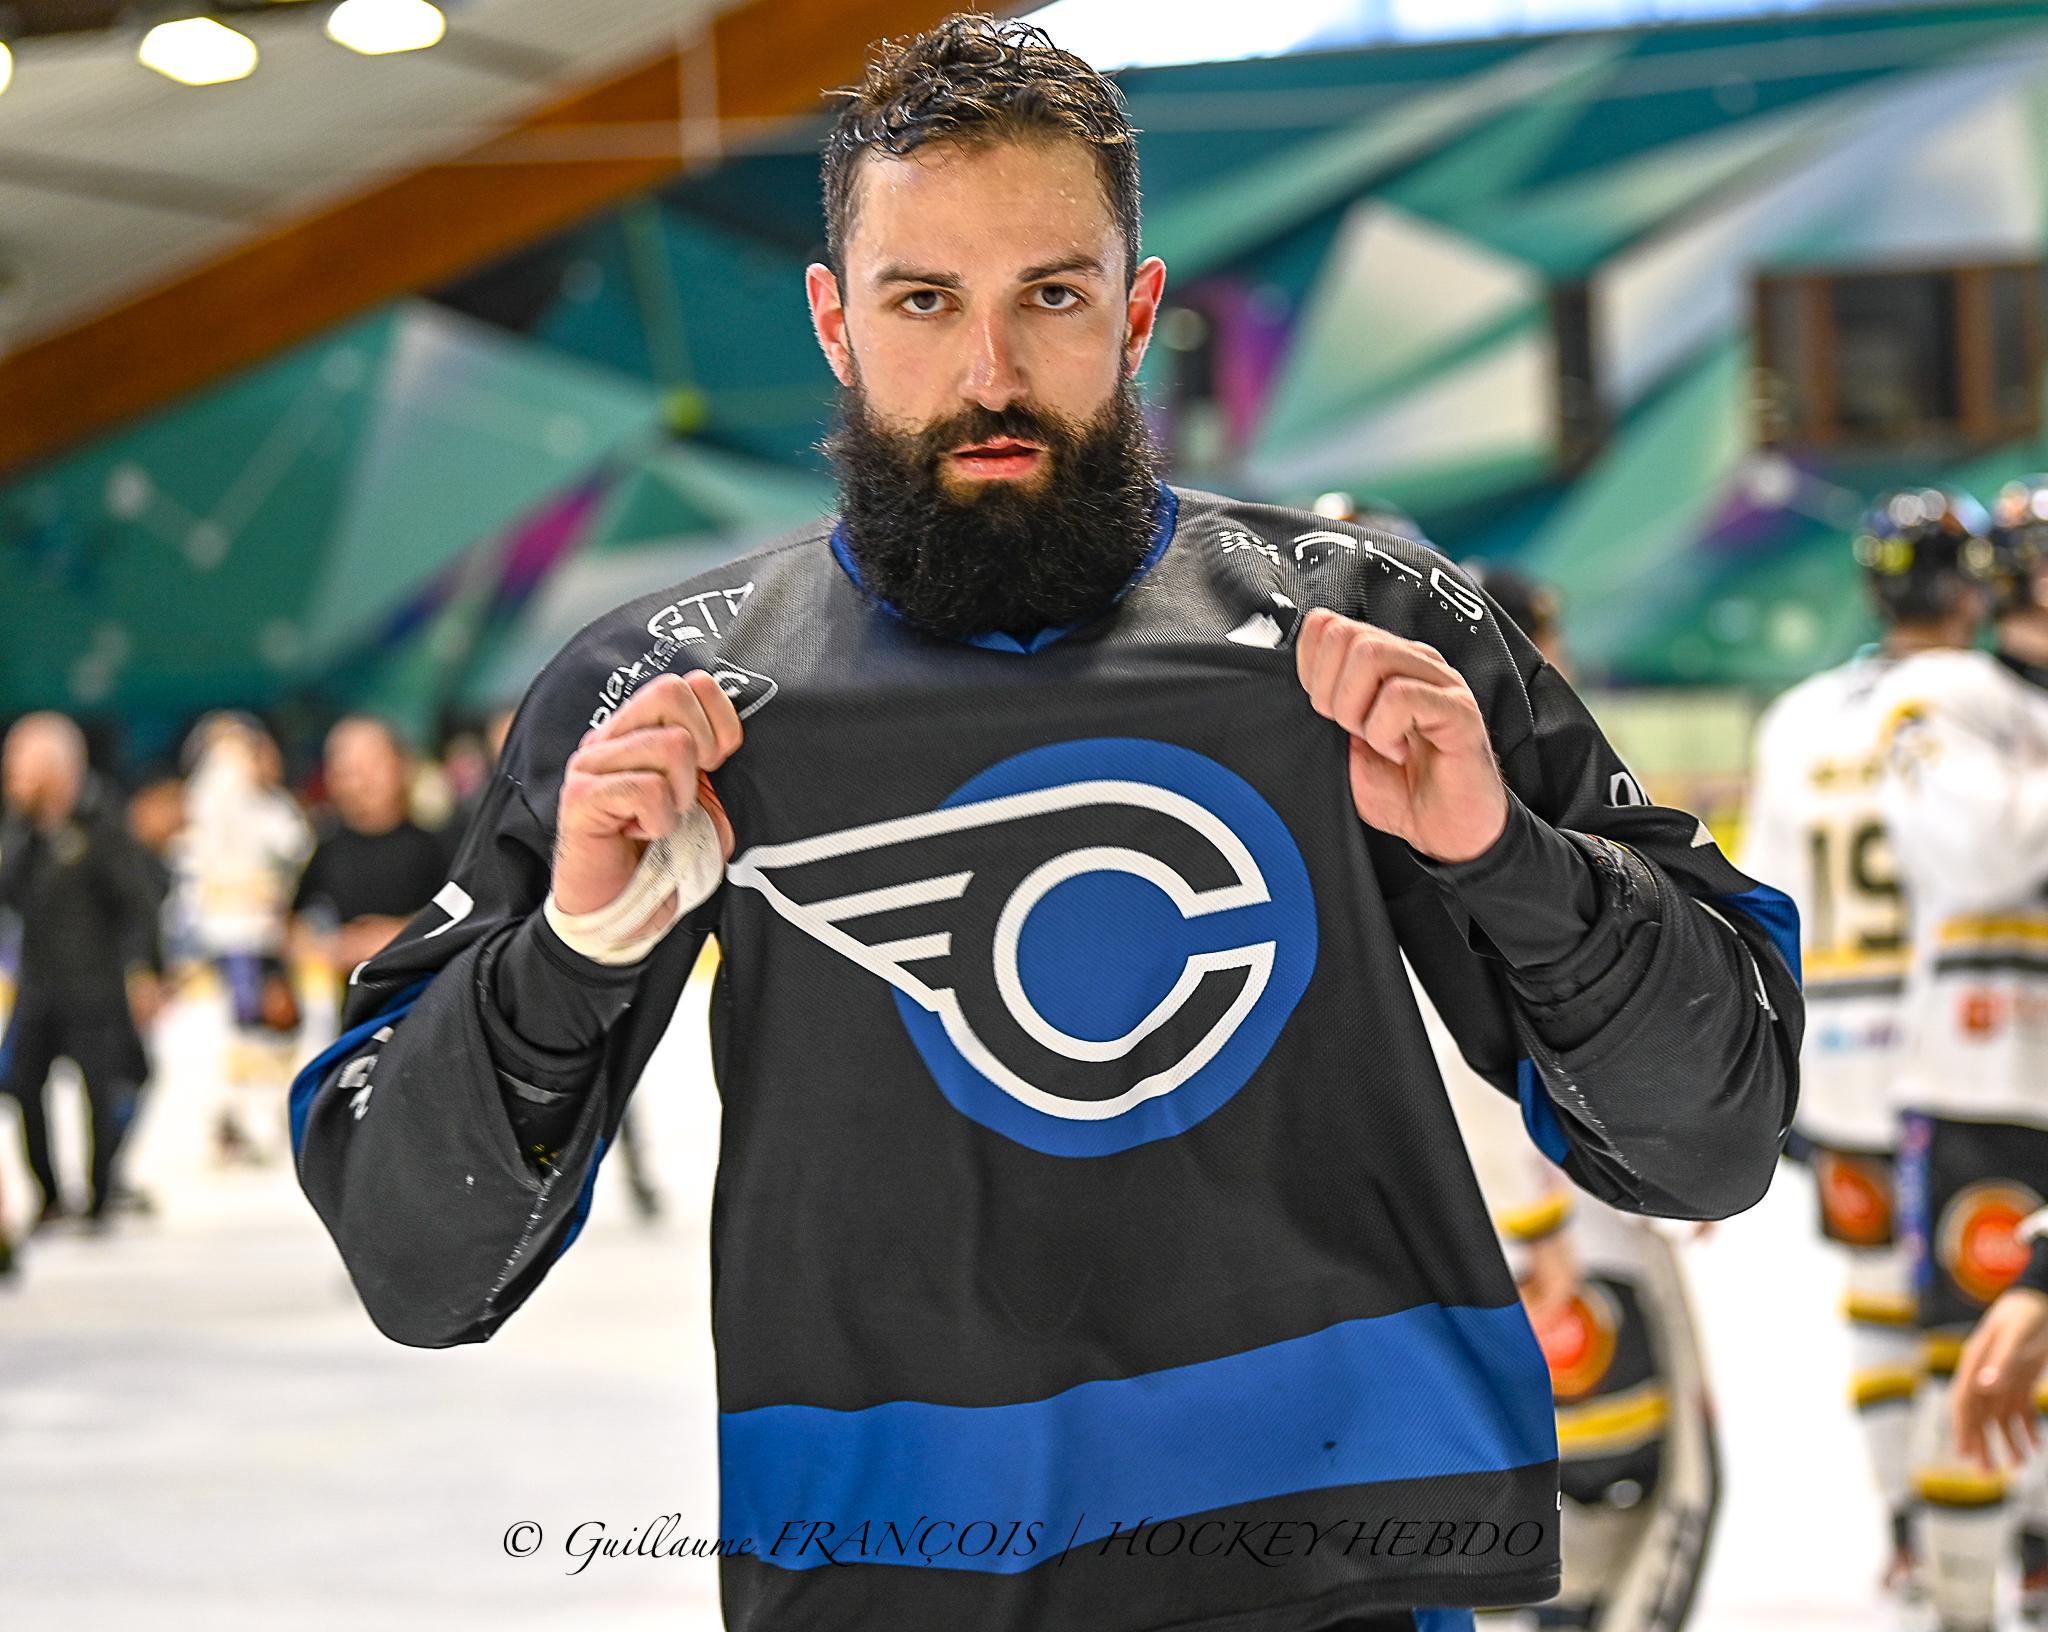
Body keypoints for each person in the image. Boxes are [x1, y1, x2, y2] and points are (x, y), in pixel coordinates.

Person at [291, 19, 1801, 1631]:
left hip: (1328, 1582)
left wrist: (1508, 859)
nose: (990, 376)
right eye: (923, 301)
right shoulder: (665, 697)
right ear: (835, 322)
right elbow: (417, 1260)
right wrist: (573, 953)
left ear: (1136, 311)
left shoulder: (1368, 631)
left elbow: (1710, 1137)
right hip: (893, 1589)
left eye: (1052, 297)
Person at [1738, 489, 1996, 1600]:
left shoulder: (1800, 719)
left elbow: (1765, 900)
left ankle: (1903, 1524)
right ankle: (2008, 1535)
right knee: (1988, 1300)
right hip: (1969, 1048)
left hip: (1842, 1055)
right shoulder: (1991, 702)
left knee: (1880, 1299)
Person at [1870, 477, 2048, 1632]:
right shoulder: (1937, 694)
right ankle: (1960, 1608)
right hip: (1984, 1077)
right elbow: (1982, 851)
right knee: (1968, 1369)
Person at [0, 712, 164, 1228]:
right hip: (39, 986)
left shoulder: (104, 826)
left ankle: (99, 1194)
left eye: (21, 767)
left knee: (103, 1089)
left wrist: (145, 971)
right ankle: (49, 1194)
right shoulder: (24, 834)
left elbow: (139, 906)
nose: (12, 779)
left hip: (96, 988)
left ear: (55, 770)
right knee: (21, 1083)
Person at [178, 712, 312, 1164]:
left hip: (260, 932)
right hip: (236, 934)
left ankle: (249, 1114)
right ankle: (239, 1117)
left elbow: (294, 844)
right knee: (245, 1027)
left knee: (266, 1026)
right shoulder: (224, 790)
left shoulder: (262, 804)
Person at [289, 715, 450, 1008]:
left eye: (372, 765)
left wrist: (397, 936)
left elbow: (464, 921)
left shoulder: (439, 848)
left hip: (422, 1003)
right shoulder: (325, 851)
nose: (360, 782)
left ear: (403, 766)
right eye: (346, 770)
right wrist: (328, 948)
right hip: (348, 1009)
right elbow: (293, 927)